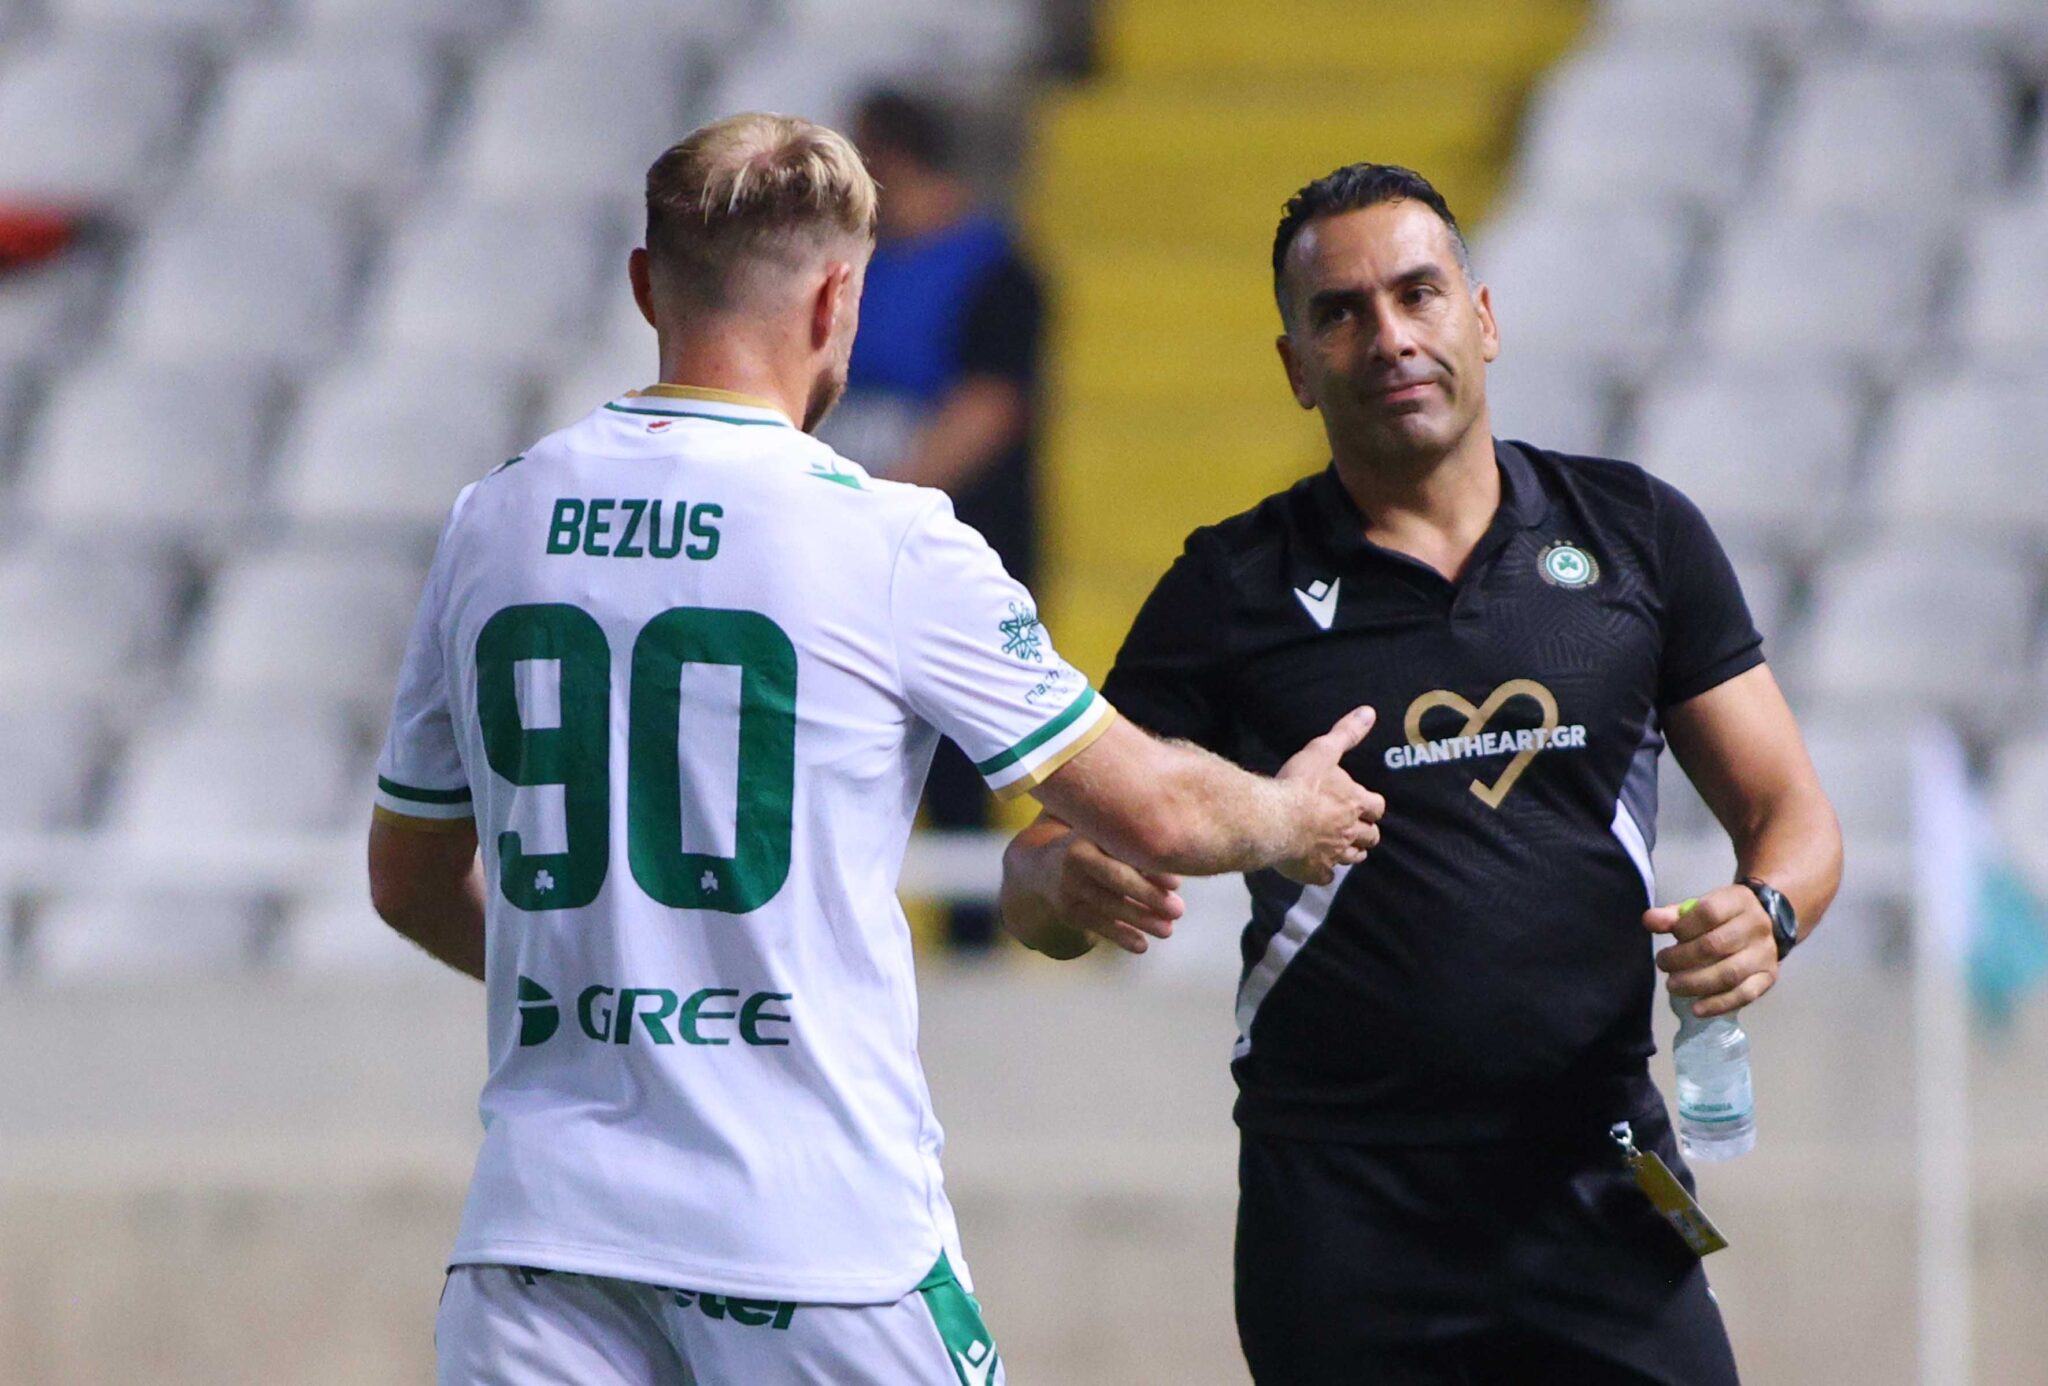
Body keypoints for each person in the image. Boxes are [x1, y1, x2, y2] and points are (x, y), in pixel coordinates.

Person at [364, 114, 1381, 1386]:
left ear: (643, 286)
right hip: (813, 1243)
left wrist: (621, 997)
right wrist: (1293, 815)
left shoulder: (494, 518)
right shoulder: (888, 541)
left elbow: (406, 880)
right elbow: (1158, 815)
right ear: (838, 297)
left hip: (537, 1243)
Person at [999, 163, 1845, 1384]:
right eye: (1339, 313)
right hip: (1342, 1213)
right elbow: (1035, 868)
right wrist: (1061, 887)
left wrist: (1768, 912)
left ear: (1481, 317)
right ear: (1294, 366)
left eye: (1416, 293)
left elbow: (1789, 813)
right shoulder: (1228, 588)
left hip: (1606, 1175)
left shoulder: (1634, 533)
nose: (1388, 336)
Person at [819, 88, 1048, 950]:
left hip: (958, 547)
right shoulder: (851, 271)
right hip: (849, 546)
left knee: (959, 770)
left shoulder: (998, 271)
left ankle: (975, 951)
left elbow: (990, 407)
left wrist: (877, 501)